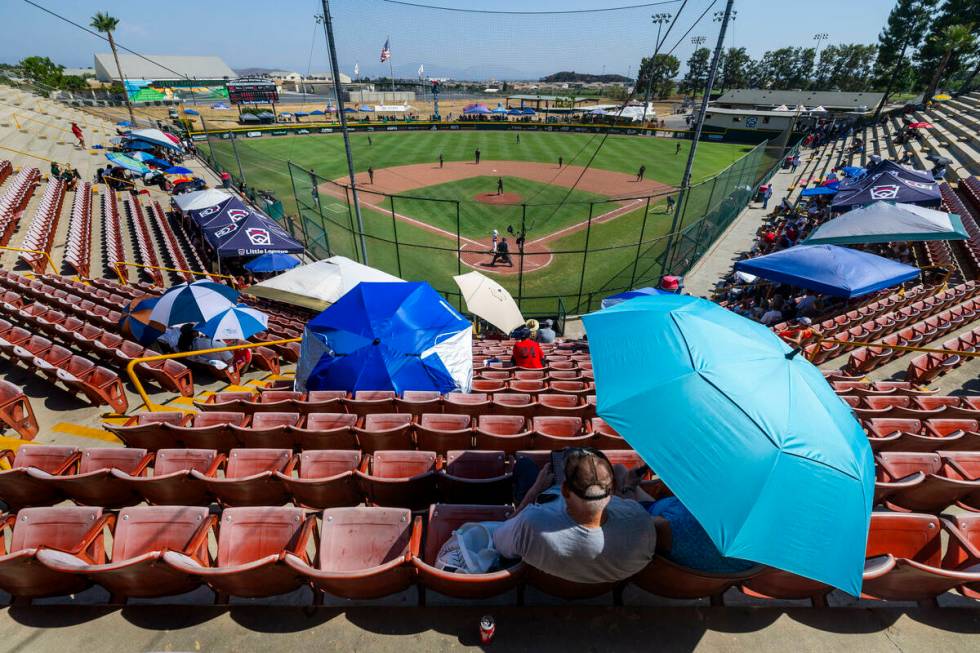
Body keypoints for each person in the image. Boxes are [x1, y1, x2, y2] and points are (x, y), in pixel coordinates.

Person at [493, 449, 656, 584]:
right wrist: (628, 487)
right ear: (612, 490)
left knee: (524, 464)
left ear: (564, 490)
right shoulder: (643, 525)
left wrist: (536, 489)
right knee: (620, 469)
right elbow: (630, 512)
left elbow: (499, 537)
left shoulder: (530, 524)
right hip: (598, 592)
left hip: (545, 499)